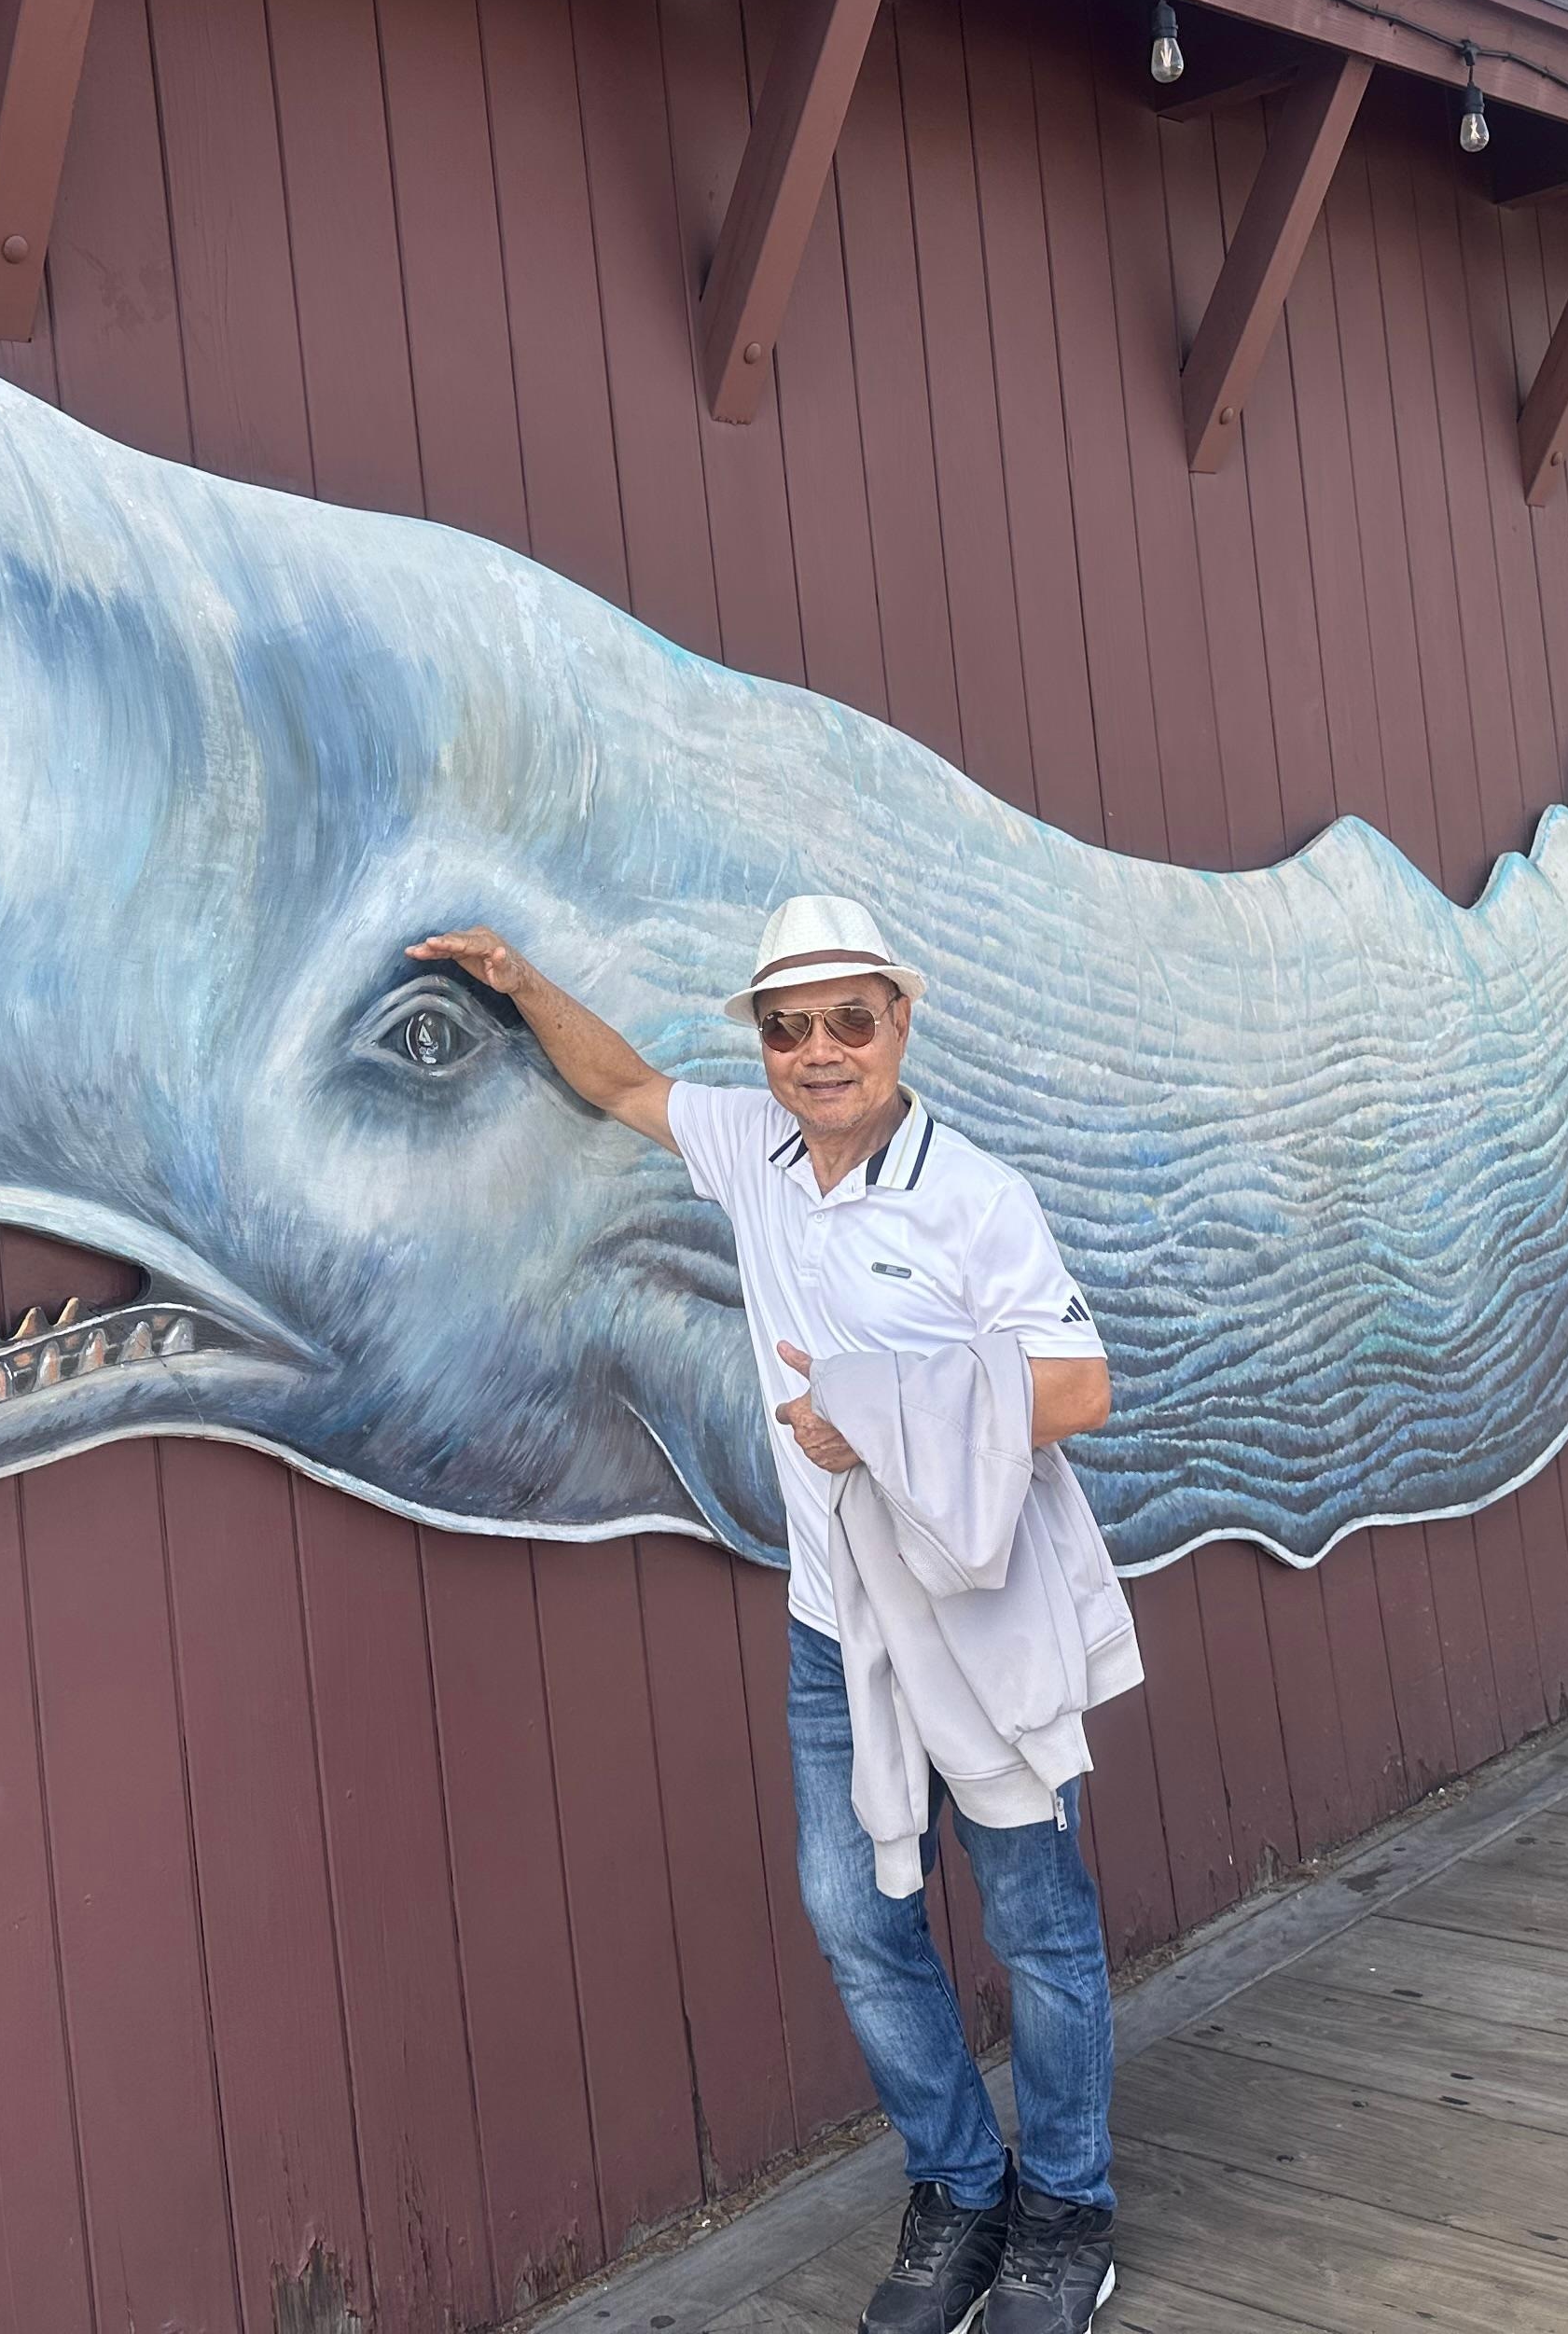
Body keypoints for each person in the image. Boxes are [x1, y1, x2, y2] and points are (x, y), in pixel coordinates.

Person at [408, 893, 1126, 2334]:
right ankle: (959, 2192)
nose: (818, 1053)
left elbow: (1082, 1386)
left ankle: (1067, 2215)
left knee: (1037, 1927)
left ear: (899, 1023)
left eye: (847, 1022)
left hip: (978, 1617)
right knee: (856, 1917)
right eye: (788, 1029)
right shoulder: (755, 1150)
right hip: (835, 1627)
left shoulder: (974, 1196)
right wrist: (514, 978)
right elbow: (620, 1083)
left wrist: (877, 1409)